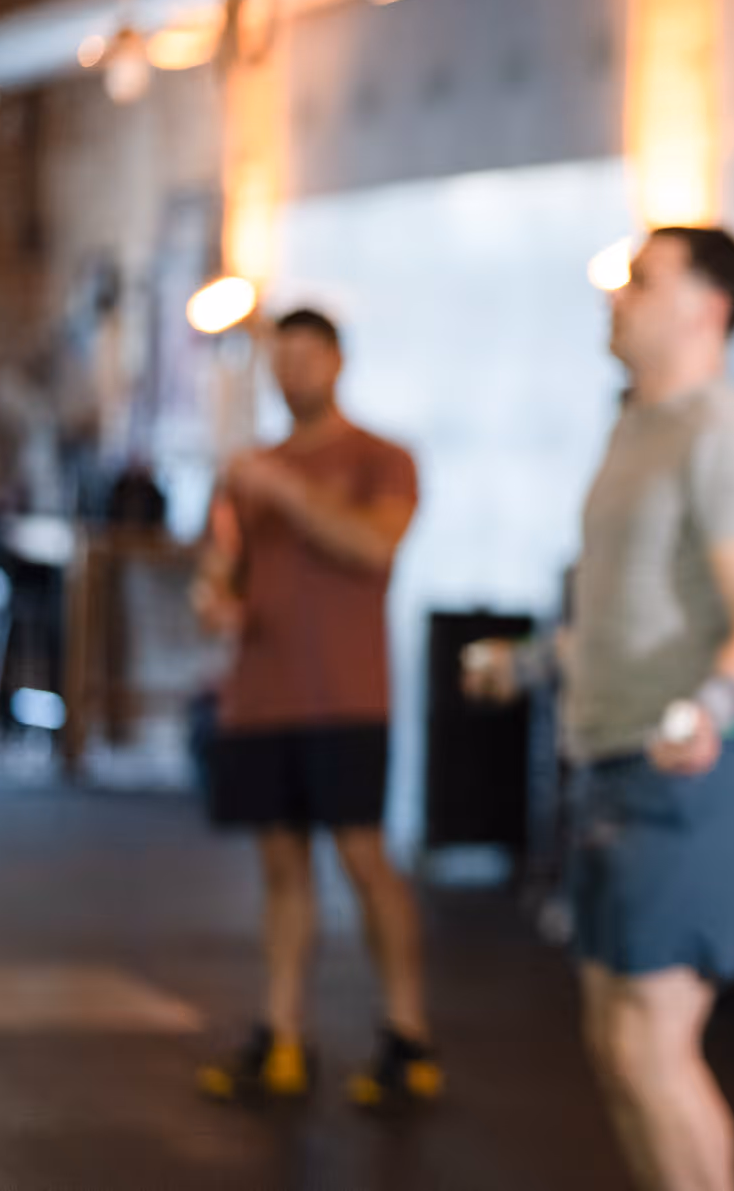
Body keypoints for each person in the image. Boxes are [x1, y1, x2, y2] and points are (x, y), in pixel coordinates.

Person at [463, 227, 734, 1191]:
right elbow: (629, 614)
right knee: (614, 1037)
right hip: (615, 756)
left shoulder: (727, 435)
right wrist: (533, 663)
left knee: (654, 1038)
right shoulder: (634, 429)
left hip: (701, 769)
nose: (617, 296)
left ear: (708, 306)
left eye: (642, 281)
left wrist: (707, 706)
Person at [191, 308, 438, 1108]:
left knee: (365, 860)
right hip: (262, 694)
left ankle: (407, 1033)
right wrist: (214, 599)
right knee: (279, 865)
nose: (290, 371)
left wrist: (287, 490)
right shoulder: (245, 468)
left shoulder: (381, 458)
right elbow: (219, 569)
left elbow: (374, 546)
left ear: (336, 363)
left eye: (306, 357)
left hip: (348, 695)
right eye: (279, 358)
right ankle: (282, 1033)